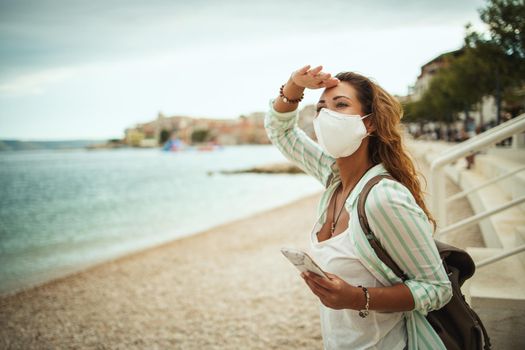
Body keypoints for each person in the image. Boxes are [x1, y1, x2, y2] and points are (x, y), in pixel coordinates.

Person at [264, 65, 452, 350]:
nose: (327, 115)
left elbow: (437, 289)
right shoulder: (335, 179)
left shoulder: (384, 198)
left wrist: (356, 298)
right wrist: (294, 85)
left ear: (370, 123)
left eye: (340, 105)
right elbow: (282, 132)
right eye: (321, 108)